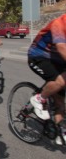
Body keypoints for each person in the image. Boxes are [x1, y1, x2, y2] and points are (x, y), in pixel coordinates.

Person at [28, 14, 66, 145]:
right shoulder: (59, 23)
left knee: (61, 103)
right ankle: (38, 98)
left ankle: (60, 132)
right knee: (61, 81)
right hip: (38, 56)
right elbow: (61, 47)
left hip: (58, 60)